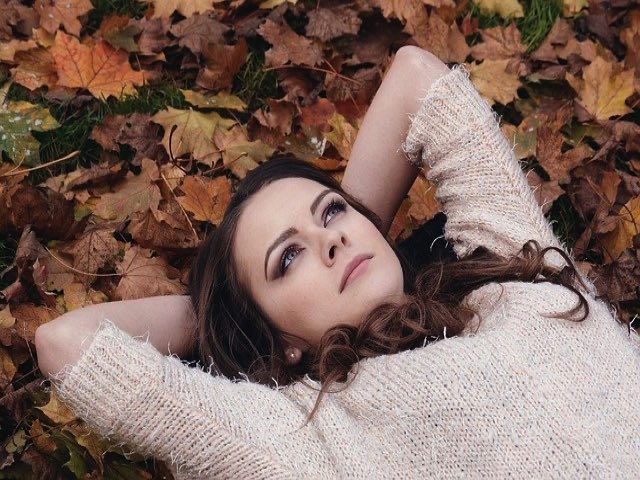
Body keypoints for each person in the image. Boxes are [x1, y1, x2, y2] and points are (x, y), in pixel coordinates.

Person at [34, 46, 640, 479]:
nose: (331, 240)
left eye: (330, 213)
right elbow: (67, 345)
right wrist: (220, 316)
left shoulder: (507, 268)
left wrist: (354, 229)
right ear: (280, 340)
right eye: (288, 257)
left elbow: (415, 77)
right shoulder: (305, 433)